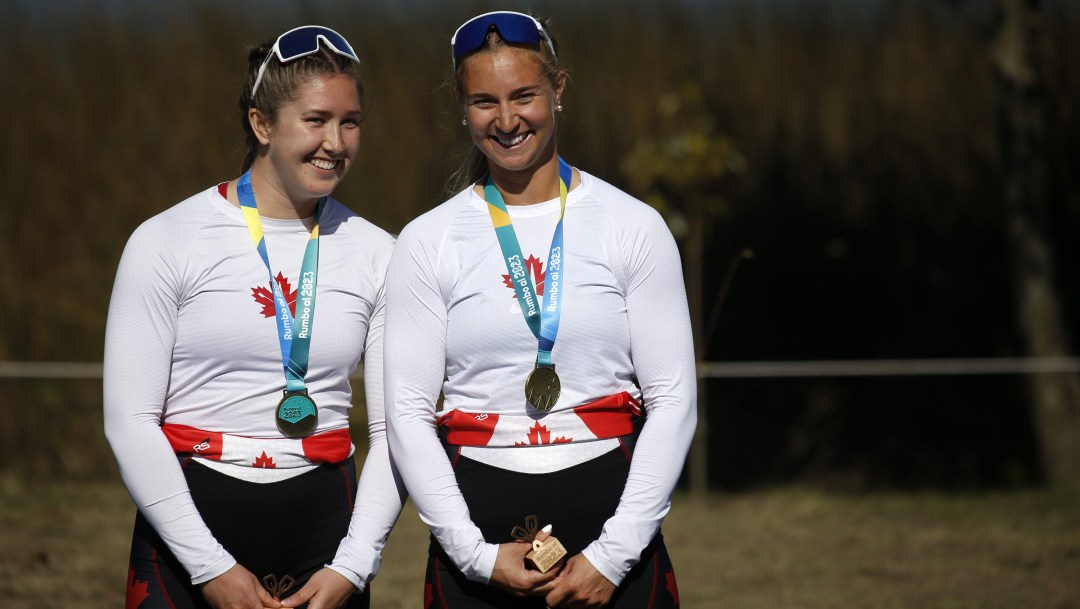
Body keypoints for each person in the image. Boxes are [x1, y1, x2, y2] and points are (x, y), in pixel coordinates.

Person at [384, 11, 695, 608]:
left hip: (614, 535)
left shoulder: (633, 226)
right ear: (461, 104)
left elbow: (673, 399)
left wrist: (613, 555)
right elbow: (406, 412)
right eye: (484, 101)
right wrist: (473, 555)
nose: (506, 121)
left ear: (557, 90)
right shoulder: (427, 241)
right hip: (477, 541)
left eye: (524, 95)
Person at [103, 25, 403, 609]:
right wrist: (210, 568)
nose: (335, 142)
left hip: (325, 539)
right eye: (315, 120)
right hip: (190, 534)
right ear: (261, 123)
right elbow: (129, 420)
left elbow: (396, 432)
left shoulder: (380, 253)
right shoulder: (166, 240)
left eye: (351, 121)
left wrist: (354, 565)